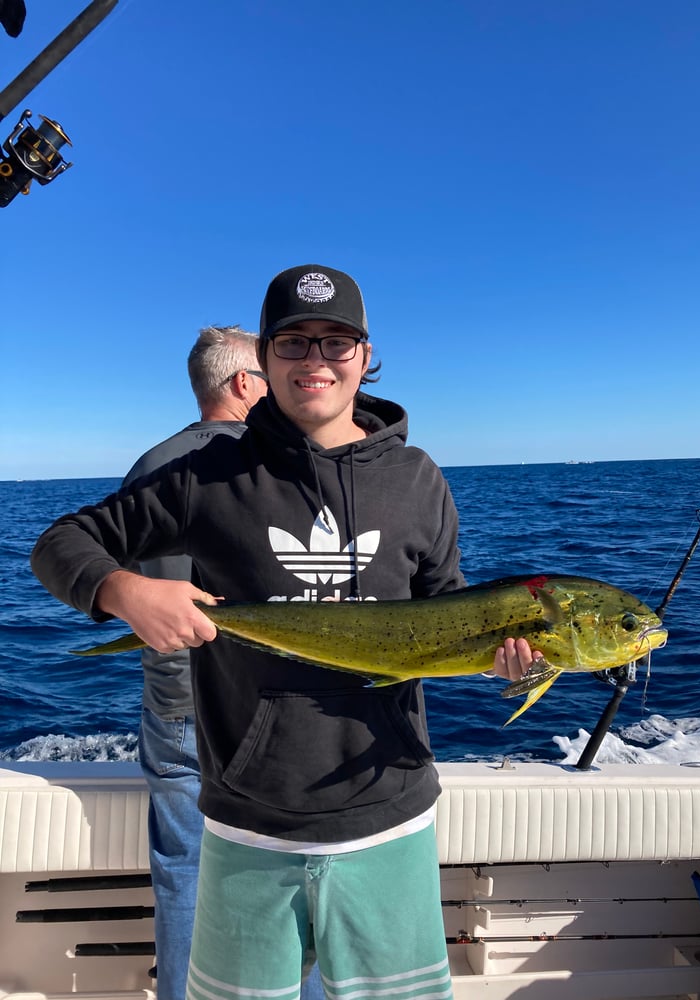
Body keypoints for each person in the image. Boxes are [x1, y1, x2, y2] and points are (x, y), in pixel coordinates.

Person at [31, 265, 537, 1000]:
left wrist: (505, 663)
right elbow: (60, 544)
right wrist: (124, 589)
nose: (315, 361)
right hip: (248, 825)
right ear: (263, 361)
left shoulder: (420, 478)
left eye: (336, 344)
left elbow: (448, 611)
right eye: (294, 343)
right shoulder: (207, 474)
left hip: (388, 813)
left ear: (366, 358)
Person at [122, 325, 268, 1000]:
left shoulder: (146, 465)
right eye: (270, 374)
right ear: (243, 384)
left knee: (183, 872)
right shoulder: (273, 465)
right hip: (258, 711)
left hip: (172, 704)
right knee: (289, 871)